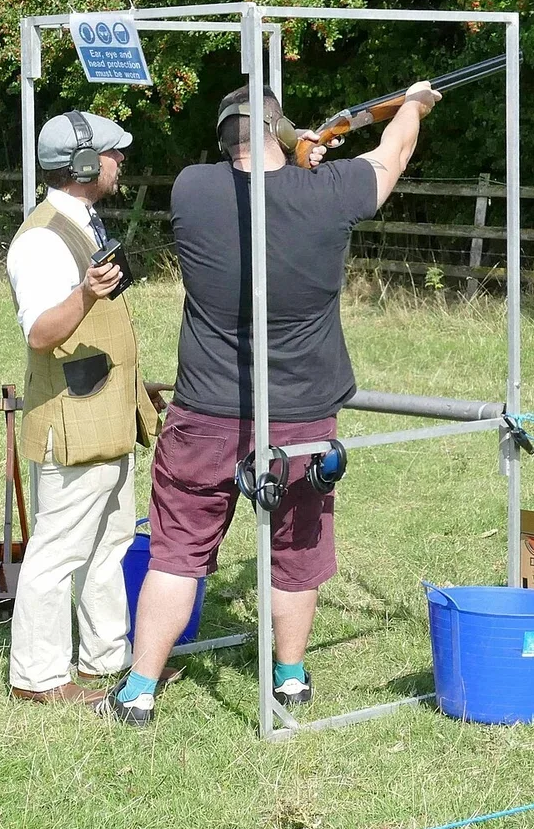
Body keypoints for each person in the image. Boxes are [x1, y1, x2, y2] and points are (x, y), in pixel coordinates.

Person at [95, 80, 440, 724]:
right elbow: (390, 156)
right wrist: (413, 105)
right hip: (302, 411)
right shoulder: (329, 192)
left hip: (204, 409)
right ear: (282, 133)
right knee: (296, 548)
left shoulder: (193, 190)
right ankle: (289, 678)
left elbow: (258, 188)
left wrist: (296, 152)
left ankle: (139, 689)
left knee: (177, 552)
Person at [6, 109, 162, 705]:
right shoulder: (43, 238)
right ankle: (38, 677)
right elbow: (42, 332)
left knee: (109, 543)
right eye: (113, 154)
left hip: (103, 415)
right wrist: (87, 292)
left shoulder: (82, 221)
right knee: (57, 552)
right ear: (84, 164)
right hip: (72, 421)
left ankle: (106, 660)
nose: (120, 162)